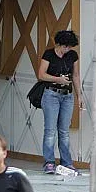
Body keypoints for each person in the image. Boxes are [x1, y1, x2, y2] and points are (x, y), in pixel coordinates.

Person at [36, 30, 85, 174]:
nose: (67, 49)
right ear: (58, 44)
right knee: (50, 130)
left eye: (70, 47)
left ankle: (67, 162)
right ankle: (49, 162)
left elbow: (75, 75)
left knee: (64, 130)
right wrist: (58, 79)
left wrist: (79, 95)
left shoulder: (72, 56)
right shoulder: (49, 54)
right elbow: (41, 75)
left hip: (67, 95)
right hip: (51, 93)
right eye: (65, 47)